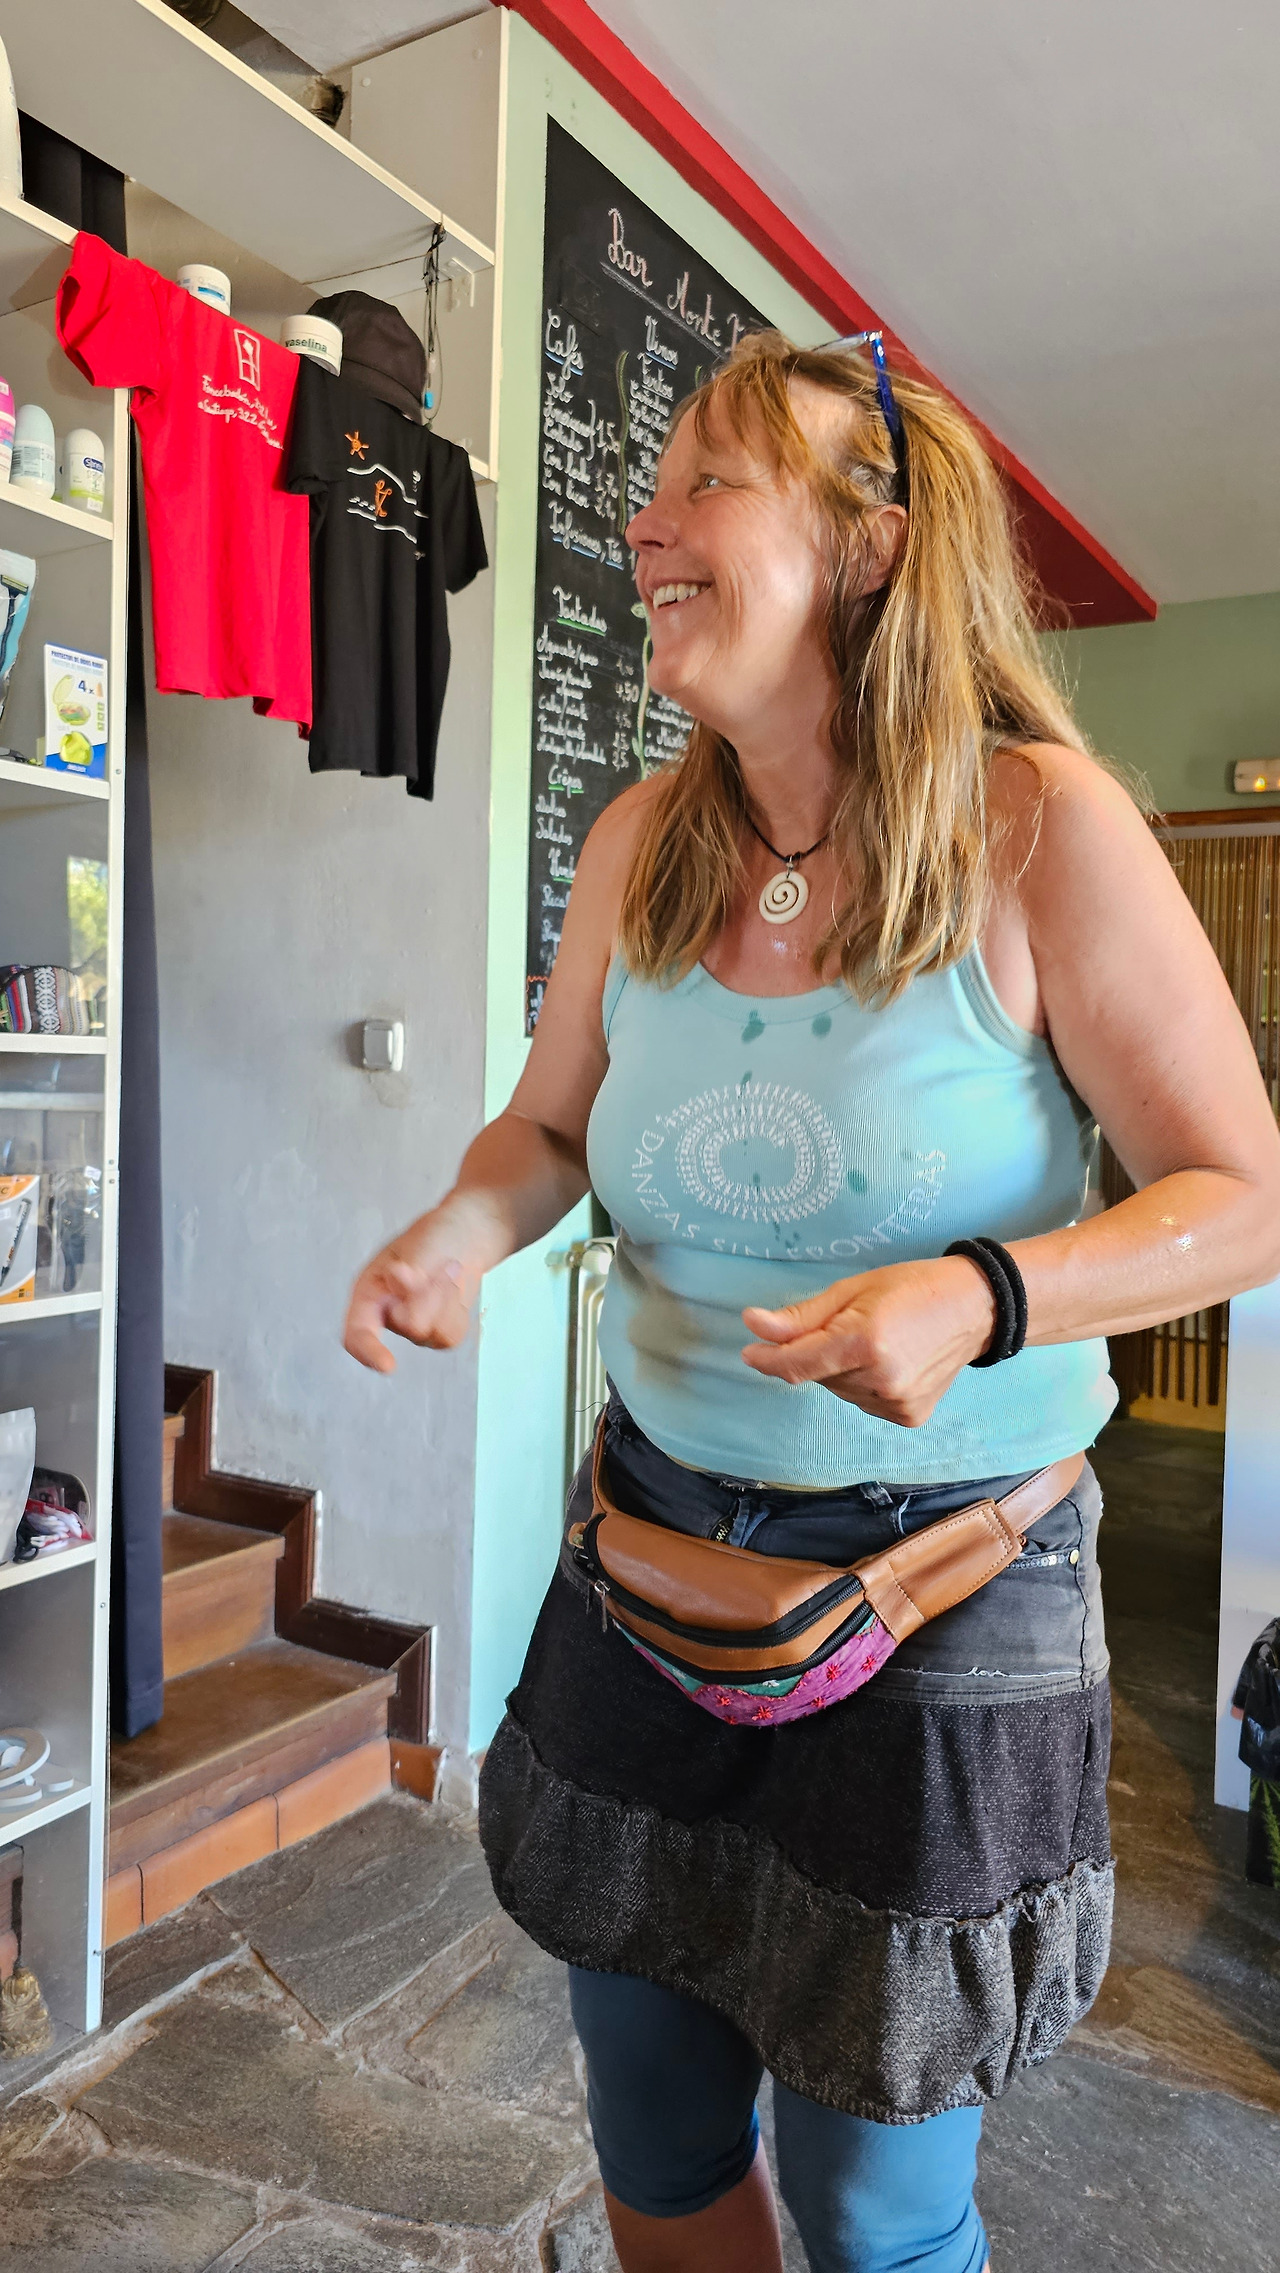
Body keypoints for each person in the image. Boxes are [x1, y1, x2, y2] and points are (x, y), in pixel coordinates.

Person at [344, 332, 1280, 2273]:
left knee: (875, 2201)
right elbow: (550, 1126)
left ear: (870, 547)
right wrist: (456, 1230)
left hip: (951, 1579)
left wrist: (985, 1295)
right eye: (649, 486)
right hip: (653, 1549)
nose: (643, 525)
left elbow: (1243, 1197)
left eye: (706, 480)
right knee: (655, 2119)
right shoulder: (641, 841)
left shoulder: (1041, 827)